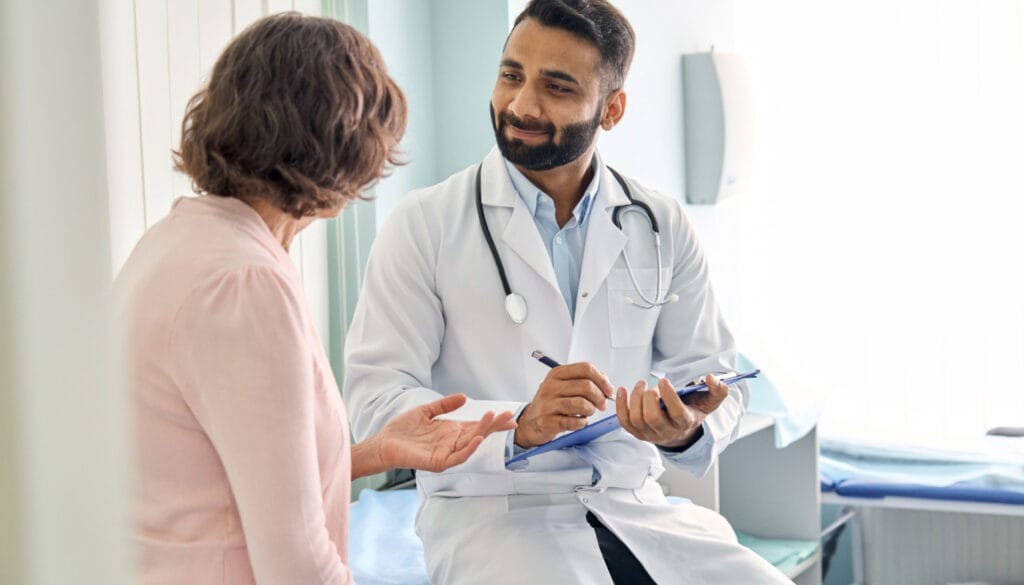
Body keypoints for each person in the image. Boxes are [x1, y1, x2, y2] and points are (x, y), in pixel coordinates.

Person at [343, 1, 793, 583]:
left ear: (612, 110)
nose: (521, 105)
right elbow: (376, 405)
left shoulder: (659, 223)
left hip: (632, 505)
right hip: (492, 515)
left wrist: (683, 428)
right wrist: (518, 422)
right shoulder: (424, 225)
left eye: (556, 87)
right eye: (511, 75)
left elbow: (715, 378)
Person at [114, 13, 515, 585]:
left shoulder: (180, 241)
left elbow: (230, 482)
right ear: (342, 149)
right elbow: (297, 565)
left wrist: (377, 451)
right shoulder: (244, 285)